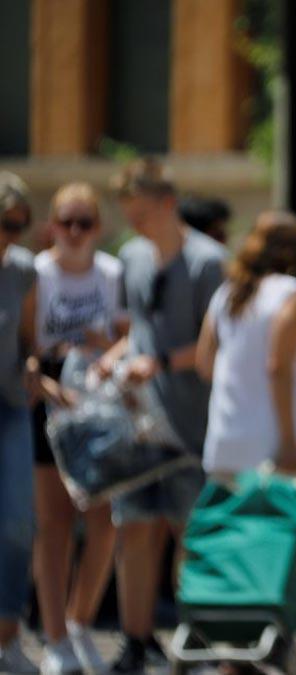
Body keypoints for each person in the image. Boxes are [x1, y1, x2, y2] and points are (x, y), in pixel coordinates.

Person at [96, 158, 226, 673]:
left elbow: (218, 345)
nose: (136, 226)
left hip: (191, 422)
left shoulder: (208, 262)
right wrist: (117, 356)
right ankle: (136, 638)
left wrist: (161, 362)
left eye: (144, 214)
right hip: (140, 422)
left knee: (190, 532)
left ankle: (196, 638)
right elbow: (136, 330)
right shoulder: (131, 256)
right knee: (136, 529)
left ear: (169, 204)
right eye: (130, 216)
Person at [31, 183, 124, 675]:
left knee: (105, 522)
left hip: (97, 405)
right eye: (65, 222)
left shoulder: (111, 274)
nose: (73, 232)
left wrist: (103, 353)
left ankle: (81, 621)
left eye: (83, 222)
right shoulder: (38, 273)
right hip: (48, 404)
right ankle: (54, 636)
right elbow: (25, 345)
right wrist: (49, 383)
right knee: (55, 525)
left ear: (97, 228)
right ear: (51, 226)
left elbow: (126, 338)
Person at [195, 210, 296, 477]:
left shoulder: (226, 293)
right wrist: (288, 441)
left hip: (224, 441)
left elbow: (204, 365)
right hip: (271, 448)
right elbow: (278, 366)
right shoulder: (291, 292)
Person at [0, 173, 40, 674]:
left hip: (10, 405)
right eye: (4, 223)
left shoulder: (24, 270)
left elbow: (29, 336)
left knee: (16, 521)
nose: (11, 234)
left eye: (19, 225)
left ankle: (6, 640)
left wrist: (31, 363)